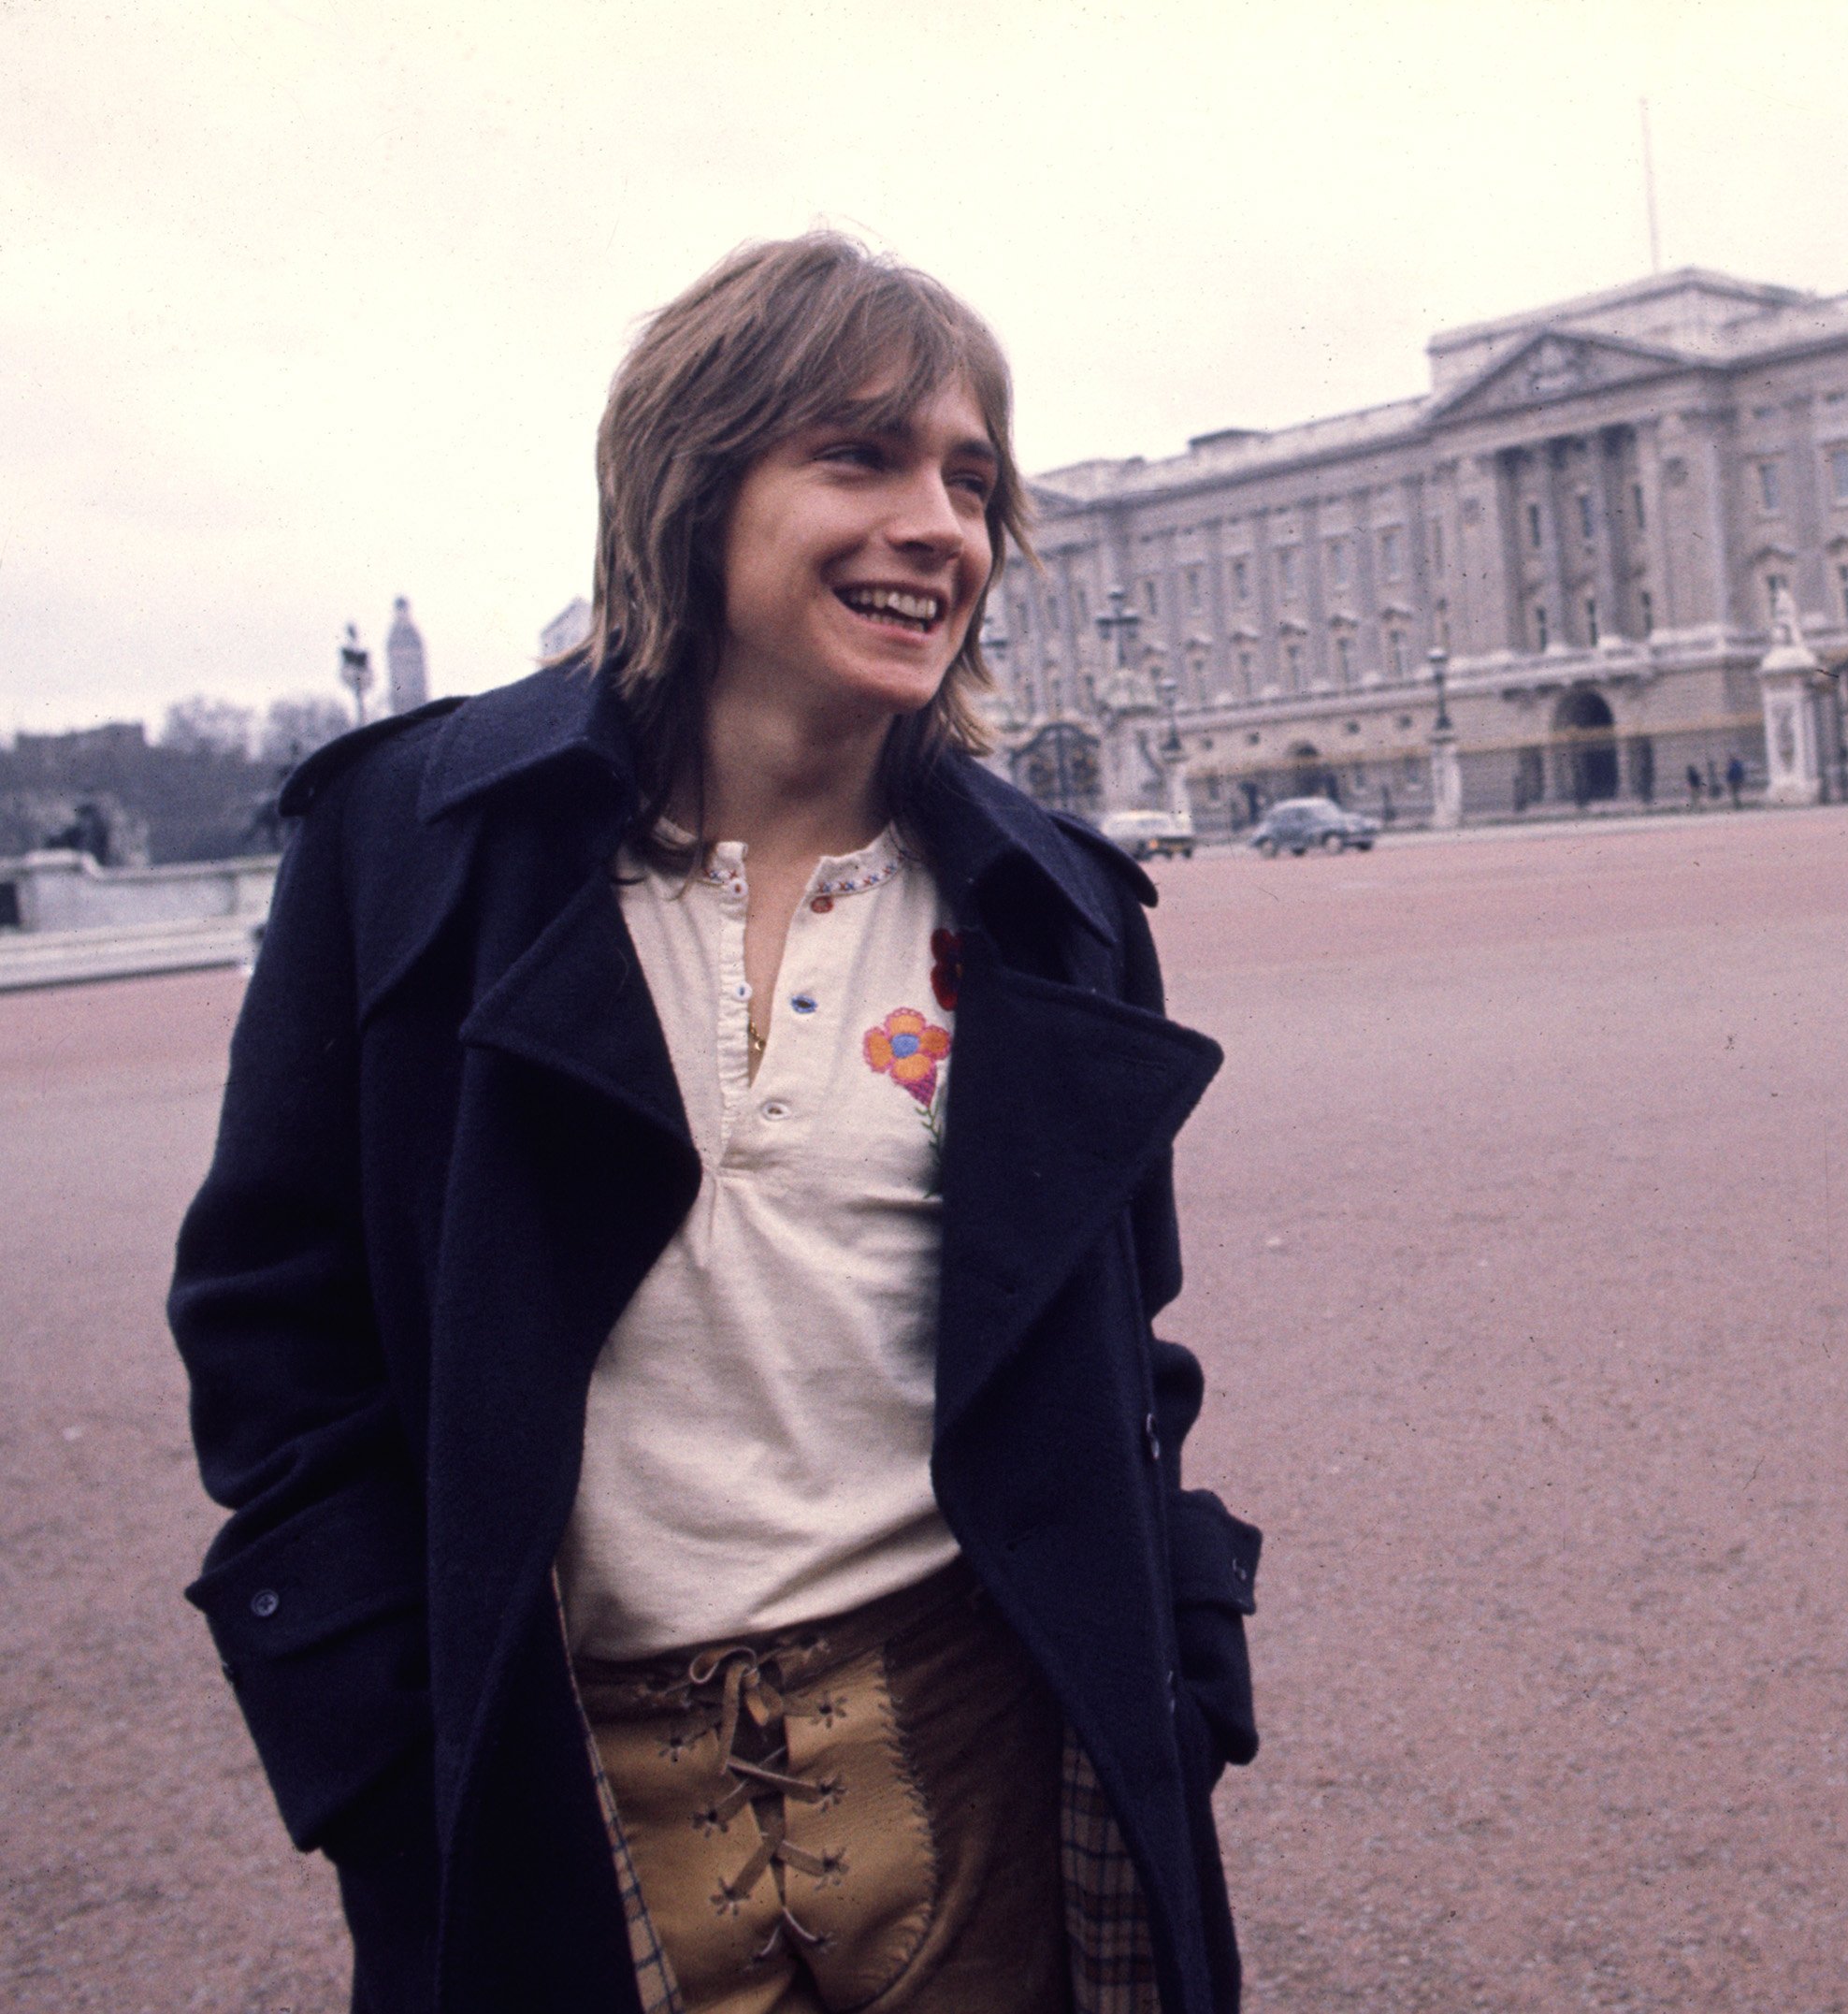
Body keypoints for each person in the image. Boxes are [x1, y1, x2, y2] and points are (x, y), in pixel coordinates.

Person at [170, 233, 1260, 2014]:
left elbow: (1121, 1343)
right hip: (564, 1770)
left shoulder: (1056, 908)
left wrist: (1183, 1660)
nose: (940, 526)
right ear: (694, 486)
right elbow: (273, 1326)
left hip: (975, 1732)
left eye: (971, 482)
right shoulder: (409, 851)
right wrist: (371, 1733)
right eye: (862, 458)